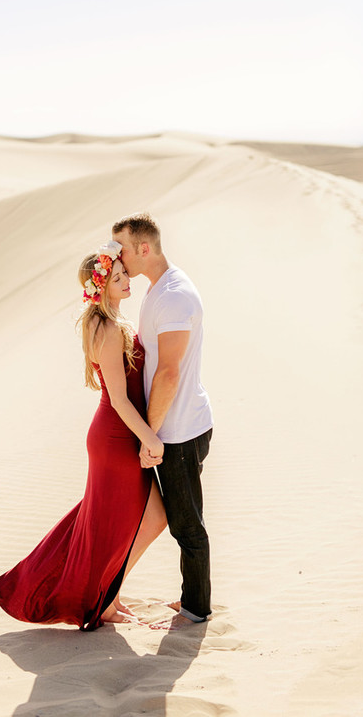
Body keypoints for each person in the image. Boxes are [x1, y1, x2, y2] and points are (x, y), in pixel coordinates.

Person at [0, 241, 167, 631]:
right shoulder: (105, 327)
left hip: (121, 434)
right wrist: (149, 439)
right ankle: (103, 597)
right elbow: (120, 399)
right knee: (136, 519)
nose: (126, 281)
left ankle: (108, 591)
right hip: (116, 437)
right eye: (118, 277)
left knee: (141, 518)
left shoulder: (112, 321)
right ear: (100, 287)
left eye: (124, 274)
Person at [112, 213, 213, 627]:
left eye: (121, 247)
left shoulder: (173, 296)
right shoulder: (159, 289)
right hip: (173, 426)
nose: (116, 256)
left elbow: (168, 373)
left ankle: (196, 609)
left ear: (144, 248)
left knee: (187, 524)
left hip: (180, 430)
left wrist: (150, 434)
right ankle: (192, 600)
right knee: (181, 519)